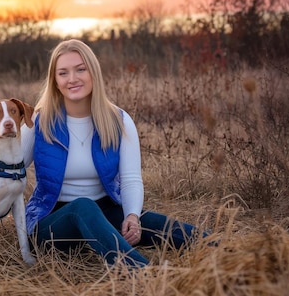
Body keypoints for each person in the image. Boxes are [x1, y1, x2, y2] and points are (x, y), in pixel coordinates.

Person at [21, 39, 207, 268]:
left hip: (104, 212)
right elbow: (6, 169)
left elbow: (130, 179)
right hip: (50, 223)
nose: (72, 79)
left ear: (93, 73)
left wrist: (132, 216)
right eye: (63, 73)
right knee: (83, 206)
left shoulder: (118, 120)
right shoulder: (39, 122)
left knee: (159, 224)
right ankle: (142, 273)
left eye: (81, 69)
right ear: (55, 81)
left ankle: (225, 250)